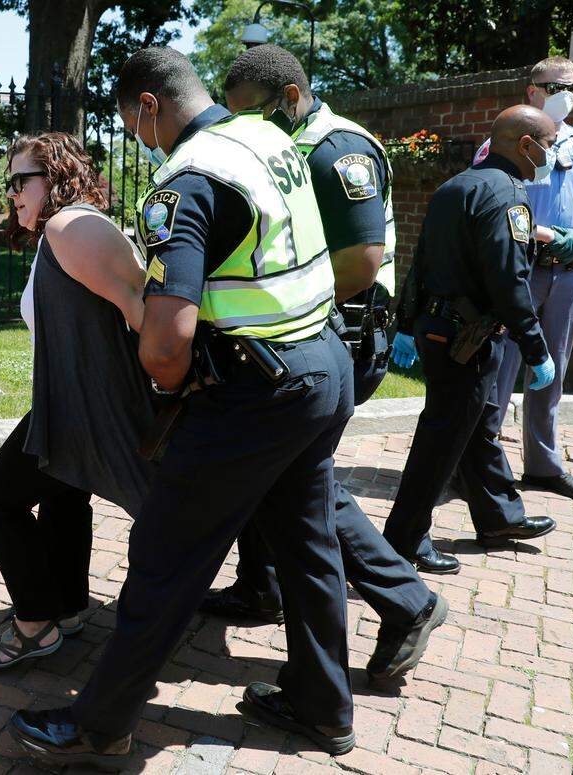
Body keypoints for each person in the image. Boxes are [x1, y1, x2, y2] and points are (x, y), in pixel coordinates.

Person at [8, 47, 358, 770]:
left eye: (135, 127)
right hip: (325, 362)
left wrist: (167, 392)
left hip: (258, 389)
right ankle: (323, 705)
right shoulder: (271, 138)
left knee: (165, 557)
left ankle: (101, 722)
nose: (140, 142)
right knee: (309, 543)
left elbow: (167, 337)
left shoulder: (188, 180)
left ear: (148, 107)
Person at [203, 44, 446, 684]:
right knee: (281, 472)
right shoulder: (287, 145)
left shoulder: (338, 151)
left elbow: (363, 258)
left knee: (301, 479)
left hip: (336, 333)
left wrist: (282, 313)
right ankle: (262, 585)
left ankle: (407, 600)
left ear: (290, 97)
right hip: (309, 332)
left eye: (251, 113)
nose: (242, 129)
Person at [0, 132, 154, 669]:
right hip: (71, 403)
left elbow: (143, 312)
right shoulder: (63, 233)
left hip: (86, 408)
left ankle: (34, 624)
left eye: (19, 180)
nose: (11, 193)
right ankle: (69, 607)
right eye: (8, 183)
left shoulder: (73, 228)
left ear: (56, 177)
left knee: (0, 498)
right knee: (64, 494)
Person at [383, 105, 559, 575]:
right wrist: (536, 347)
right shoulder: (508, 198)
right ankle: (403, 539)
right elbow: (510, 281)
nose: (552, 154)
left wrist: (406, 321)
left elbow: (418, 260)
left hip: (438, 329)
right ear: (526, 145)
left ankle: (499, 516)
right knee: (442, 440)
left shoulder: (455, 186)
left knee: (476, 427)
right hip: (467, 338)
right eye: (550, 144)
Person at [480, 57, 573, 501]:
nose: (567, 93)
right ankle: (481, 466)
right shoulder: (503, 142)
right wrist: (547, 234)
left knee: (550, 373)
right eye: (557, 85)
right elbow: (490, 206)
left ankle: (543, 465)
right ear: (532, 89)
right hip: (518, 272)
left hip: (567, 276)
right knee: (499, 373)